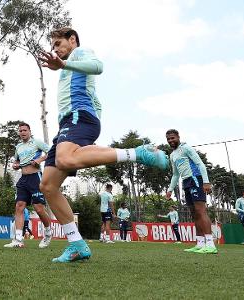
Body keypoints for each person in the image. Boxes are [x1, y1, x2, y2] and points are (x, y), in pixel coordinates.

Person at [38, 27, 169, 263]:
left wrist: (64, 64)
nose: (55, 49)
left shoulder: (80, 53)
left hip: (80, 115)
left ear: (72, 39)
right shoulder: (67, 65)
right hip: (67, 123)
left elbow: (99, 67)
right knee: (48, 185)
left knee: (64, 159)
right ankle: (77, 244)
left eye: (58, 43)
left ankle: (137, 153)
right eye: (53, 46)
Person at [165, 129, 216, 254]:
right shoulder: (172, 155)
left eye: (172, 138)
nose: (171, 140)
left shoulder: (186, 148)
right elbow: (175, 174)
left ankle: (210, 244)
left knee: (201, 211)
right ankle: (199, 243)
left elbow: (200, 164)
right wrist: (170, 190)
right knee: (194, 213)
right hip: (186, 183)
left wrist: (206, 182)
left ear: (178, 137)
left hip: (196, 179)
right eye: (168, 139)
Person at [4, 123, 53, 249]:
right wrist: (15, 165)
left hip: (35, 178)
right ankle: (18, 240)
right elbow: (16, 161)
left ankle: (48, 233)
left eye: (24, 130)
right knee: (19, 207)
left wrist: (40, 160)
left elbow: (52, 152)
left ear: (29, 131)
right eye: (20, 131)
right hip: (23, 179)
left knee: (39, 209)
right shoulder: (18, 146)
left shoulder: (36, 142)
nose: (22, 132)